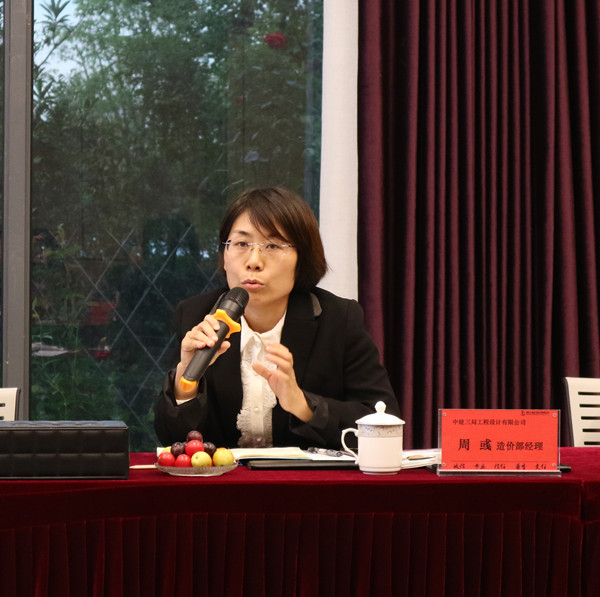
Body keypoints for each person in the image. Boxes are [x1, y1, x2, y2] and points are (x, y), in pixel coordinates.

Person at [154, 186, 399, 449]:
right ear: (224, 256)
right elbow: (172, 442)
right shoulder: (197, 316)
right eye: (241, 244)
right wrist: (186, 382)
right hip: (225, 476)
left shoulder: (339, 320)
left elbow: (383, 425)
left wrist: (303, 405)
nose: (254, 261)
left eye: (272, 245)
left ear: (301, 260)